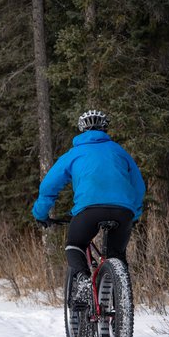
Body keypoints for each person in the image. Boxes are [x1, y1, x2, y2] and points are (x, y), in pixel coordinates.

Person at [32, 109, 145, 306]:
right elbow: (139, 186)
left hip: (88, 211)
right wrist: (134, 213)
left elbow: (49, 186)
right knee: (116, 255)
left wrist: (41, 213)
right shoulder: (119, 151)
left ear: (81, 130)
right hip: (123, 211)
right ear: (105, 129)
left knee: (75, 244)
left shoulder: (74, 153)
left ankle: (83, 282)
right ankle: (120, 305)